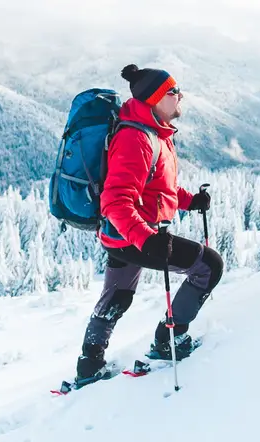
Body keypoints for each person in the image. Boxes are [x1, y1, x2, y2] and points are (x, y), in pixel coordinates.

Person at [74, 64, 224, 387]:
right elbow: (115, 201)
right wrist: (147, 239)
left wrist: (189, 200)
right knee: (209, 266)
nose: (179, 95)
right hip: (134, 234)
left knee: (117, 297)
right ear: (155, 98)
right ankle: (168, 339)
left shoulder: (154, 132)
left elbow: (157, 189)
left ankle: (89, 365)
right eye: (173, 91)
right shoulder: (136, 138)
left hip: (122, 234)